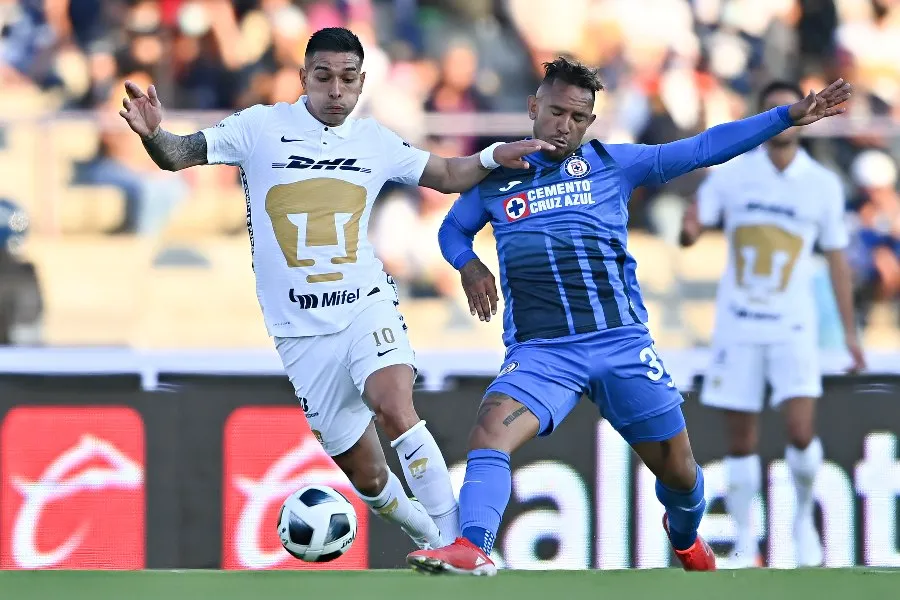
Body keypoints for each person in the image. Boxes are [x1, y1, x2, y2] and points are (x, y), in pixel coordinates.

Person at [406, 57, 853, 576]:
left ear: (590, 121)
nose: (564, 125)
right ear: (533, 107)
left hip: (620, 345)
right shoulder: (497, 177)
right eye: (555, 112)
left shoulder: (614, 164)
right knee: (488, 433)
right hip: (542, 353)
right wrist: (469, 265)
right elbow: (451, 230)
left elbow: (703, 147)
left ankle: (684, 536)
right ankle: (473, 545)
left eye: (577, 117)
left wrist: (783, 118)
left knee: (682, 476)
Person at [117, 26, 551, 552]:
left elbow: (445, 173)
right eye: (323, 77)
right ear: (303, 78)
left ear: (363, 82)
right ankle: (434, 536)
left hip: (364, 304)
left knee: (394, 403)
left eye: (348, 79)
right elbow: (179, 154)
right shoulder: (260, 127)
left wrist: (489, 157)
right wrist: (154, 135)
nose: (336, 90)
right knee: (369, 480)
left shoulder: (373, 140)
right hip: (300, 333)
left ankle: (466, 546)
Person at [679, 81, 866, 568]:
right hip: (739, 324)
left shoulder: (821, 184)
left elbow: (838, 260)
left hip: (793, 325)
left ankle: (803, 520)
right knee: (741, 439)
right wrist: (690, 226)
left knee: (801, 431)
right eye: (771, 112)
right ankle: (746, 541)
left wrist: (850, 333)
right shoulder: (734, 175)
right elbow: (696, 224)